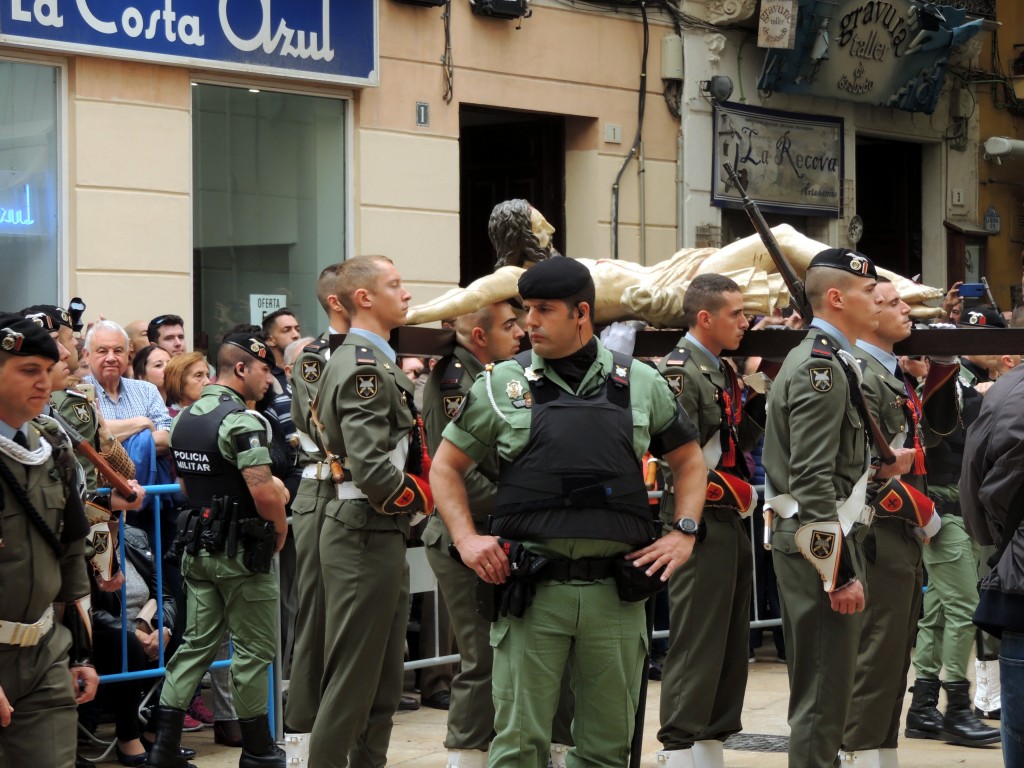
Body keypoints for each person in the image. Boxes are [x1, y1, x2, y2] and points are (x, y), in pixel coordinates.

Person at [430, 257, 708, 768]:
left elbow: (689, 461)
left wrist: (684, 532)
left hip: (614, 596)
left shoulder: (640, 381)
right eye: (526, 309)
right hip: (532, 593)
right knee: (518, 745)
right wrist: (467, 539)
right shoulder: (501, 383)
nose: (529, 322)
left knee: (607, 748)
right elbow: (446, 466)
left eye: (544, 310)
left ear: (581, 313)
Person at [761, 248, 911, 768]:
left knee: (829, 692)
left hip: (826, 541)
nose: (879, 301)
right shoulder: (819, 369)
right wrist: (838, 572)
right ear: (836, 298)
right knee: (823, 701)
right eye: (869, 292)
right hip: (821, 548)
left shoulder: (836, 359)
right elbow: (810, 480)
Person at [307, 255, 430, 768]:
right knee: (353, 678)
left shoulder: (375, 360)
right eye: (394, 285)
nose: (406, 293)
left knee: (383, 678)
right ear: (364, 298)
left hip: (379, 530)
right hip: (363, 528)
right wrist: (428, 500)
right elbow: (373, 468)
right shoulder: (363, 366)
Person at [144, 333, 288, 768]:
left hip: (199, 550)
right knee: (253, 651)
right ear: (241, 368)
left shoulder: (185, 420)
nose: (269, 379)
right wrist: (279, 526)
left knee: (195, 646)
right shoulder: (240, 422)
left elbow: (187, 485)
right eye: (264, 369)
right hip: (242, 554)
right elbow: (262, 491)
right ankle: (258, 749)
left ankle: (164, 749)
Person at [840, 280, 961, 766]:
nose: (906, 311)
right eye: (892, 304)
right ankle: (859, 754)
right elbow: (857, 470)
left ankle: (879, 753)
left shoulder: (892, 372)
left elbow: (932, 435)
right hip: (877, 530)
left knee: (894, 657)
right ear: (868, 314)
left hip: (901, 532)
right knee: (875, 657)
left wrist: (942, 369)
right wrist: (919, 508)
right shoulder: (860, 372)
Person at [655, 274, 763, 768]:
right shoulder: (681, 372)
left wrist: (760, 398)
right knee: (698, 640)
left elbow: (733, 440)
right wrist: (734, 492)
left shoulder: (719, 370)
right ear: (705, 317)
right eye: (735, 314)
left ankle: (711, 745)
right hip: (695, 522)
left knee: (730, 643)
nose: (745, 323)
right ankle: (679, 748)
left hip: (727, 518)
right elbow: (677, 462)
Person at [421, 301, 527, 767]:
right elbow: (458, 477)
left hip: (492, 530)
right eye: (509, 325)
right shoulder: (456, 382)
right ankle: (465, 756)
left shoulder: (489, 374)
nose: (521, 333)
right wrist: (526, 500)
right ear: (480, 336)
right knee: (481, 657)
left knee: (502, 654)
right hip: (462, 534)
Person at [0, 313, 99, 768]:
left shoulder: (51, 449)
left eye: (47, 369)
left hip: (44, 653)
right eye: (28, 370)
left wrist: (81, 652)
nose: (43, 382)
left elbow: (71, 553)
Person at [903, 308, 1002, 748]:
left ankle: (923, 706)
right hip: (943, 513)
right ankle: (957, 709)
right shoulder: (932, 388)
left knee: (940, 612)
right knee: (964, 608)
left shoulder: (961, 385)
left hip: (956, 511)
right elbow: (940, 433)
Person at [281, 264, 348, 761]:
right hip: (326, 490)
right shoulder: (316, 358)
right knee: (317, 619)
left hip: (363, 499)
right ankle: (302, 741)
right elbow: (326, 428)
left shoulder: (372, 354)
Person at [961, 361, 1024, 768]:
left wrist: (999, 539)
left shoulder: (1007, 391)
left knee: (1020, 728)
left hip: (1020, 578)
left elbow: (972, 485)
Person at [83, 321, 172, 453]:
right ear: (86, 355)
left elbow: (166, 438)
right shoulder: (77, 393)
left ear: (127, 354)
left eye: (118, 351)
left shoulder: (147, 390)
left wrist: (109, 442)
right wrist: (143, 422)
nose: (111, 358)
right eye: (102, 351)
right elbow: (88, 437)